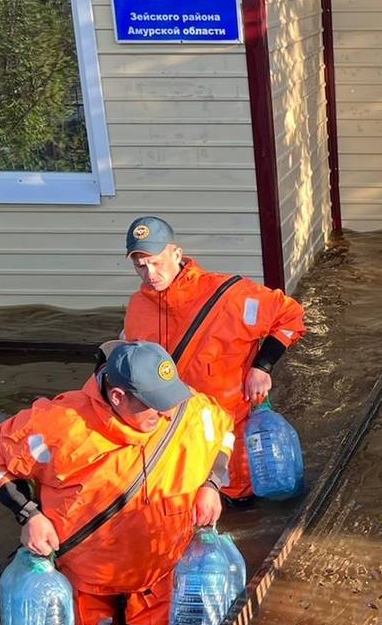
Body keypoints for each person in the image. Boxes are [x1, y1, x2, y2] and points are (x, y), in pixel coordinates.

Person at [0, 340, 234, 625]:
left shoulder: (188, 408)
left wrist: (212, 484)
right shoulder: (59, 424)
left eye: (171, 399)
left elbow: (223, 431)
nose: (167, 413)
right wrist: (30, 515)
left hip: (161, 577)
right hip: (87, 583)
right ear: (117, 396)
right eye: (154, 404)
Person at [121, 215, 305, 506]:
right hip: (175, 435)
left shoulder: (231, 296)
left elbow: (290, 316)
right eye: (140, 266)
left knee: (243, 505)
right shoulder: (138, 308)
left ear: (176, 254)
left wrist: (262, 366)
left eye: (156, 262)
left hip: (231, 432)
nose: (150, 273)